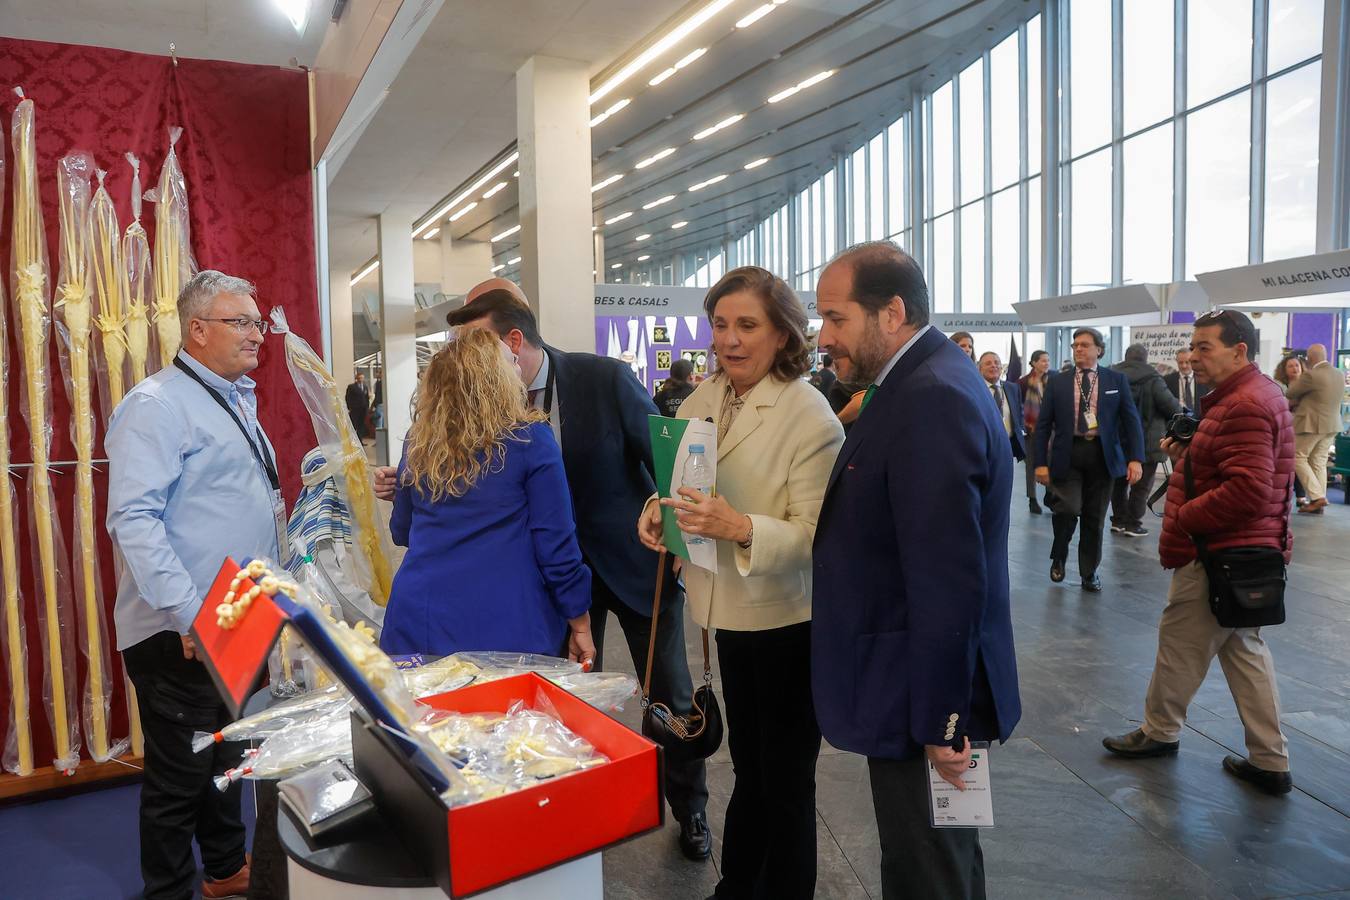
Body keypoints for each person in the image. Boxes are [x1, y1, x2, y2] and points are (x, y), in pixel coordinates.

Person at [377, 279, 712, 860]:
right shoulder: (502, 432)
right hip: (546, 586)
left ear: (512, 342)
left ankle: (691, 811)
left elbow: (667, 453)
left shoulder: (601, 378)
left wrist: (679, 534)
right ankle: (577, 814)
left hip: (629, 568)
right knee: (563, 710)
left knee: (670, 698)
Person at [811, 242, 1020, 900]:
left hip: (922, 697)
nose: (825, 338)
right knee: (941, 862)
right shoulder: (917, 382)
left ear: (892, 311)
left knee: (928, 871)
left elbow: (947, 578)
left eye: (837, 319)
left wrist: (944, 722)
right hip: (914, 685)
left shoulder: (930, 397)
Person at [636, 266, 843, 900]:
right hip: (728, 612)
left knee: (784, 779)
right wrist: (655, 509)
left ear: (783, 334)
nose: (730, 338)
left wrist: (742, 527)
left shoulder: (810, 416)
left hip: (786, 620)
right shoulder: (703, 398)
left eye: (747, 325)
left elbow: (815, 537)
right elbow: (682, 488)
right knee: (750, 768)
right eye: (721, 324)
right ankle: (739, 883)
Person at [106, 271, 282, 900]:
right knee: (180, 776)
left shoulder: (233, 398)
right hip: (182, 627)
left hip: (239, 611)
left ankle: (225, 866)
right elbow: (133, 518)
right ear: (197, 329)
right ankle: (170, 890)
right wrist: (189, 614)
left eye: (257, 323)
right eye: (242, 322)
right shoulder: (156, 405)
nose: (257, 335)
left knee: (227, 759)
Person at [1104, 310, 1295, 796]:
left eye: (1204, 346)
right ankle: (1270, 759)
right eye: (1192, 345)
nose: (1192, 355)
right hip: (1247, 552)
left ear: (1240, 351)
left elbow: (1248, 490)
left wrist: (1181, 515)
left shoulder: (1245, 404)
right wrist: (1186, 462)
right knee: (1243, 650)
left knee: (1180, 645)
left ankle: (1159, 732)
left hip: (1219, 555)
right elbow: (1247, 476)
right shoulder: (1250, 397)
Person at [380, 328, 594, 661]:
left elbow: (402, 530)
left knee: (426, 713)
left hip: (418, 621)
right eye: (512, 362)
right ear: (495, 380)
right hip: (509, 624)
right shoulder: (531, 440)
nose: (520, 368)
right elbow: (556, 546)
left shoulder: (418, 441)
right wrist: (579, 620)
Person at [1034, 327, 1145, 592]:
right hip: (1067, 454)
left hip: (1102, 455)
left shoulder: (1115, 380)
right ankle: (1059, 554)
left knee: (1094, 518)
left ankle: (1089, 571)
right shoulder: (1058, 382)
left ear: (1099, 349)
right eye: (1075, 345)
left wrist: (1136, 459)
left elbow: (1131, 421)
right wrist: (1039, 462)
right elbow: (1043, 425)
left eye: (1084, 345)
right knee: (1068, 509)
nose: (1078, 349)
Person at [1109, 343, 1181, 538]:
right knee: (1141, 486)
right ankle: (1133, 524)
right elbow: (1172, 408)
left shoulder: (1111, 376)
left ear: (1126, 357)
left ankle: (1118, 520)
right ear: (1145, 358)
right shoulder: (1154, 379)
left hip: (1117, 440)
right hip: (1147, 443)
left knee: (1118, 483)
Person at [1287, 343, 1346, 515]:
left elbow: (1291, 393)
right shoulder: (1339, 373)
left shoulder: (1311, 375)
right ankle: (1318, 501)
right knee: (1318, 461)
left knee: (1297, 456)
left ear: (1310, 358)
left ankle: (1318, 497)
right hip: (1333, 424)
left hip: (1311, 424)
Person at [1273, 355, 1309, 506]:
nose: (1295, 368)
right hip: (1286, 427)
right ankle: (1289, 494)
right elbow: (1278, 405)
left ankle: (1301, 496)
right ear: (1284, 370)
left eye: (1297, 366)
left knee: (1300, 460)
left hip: (1305, 427)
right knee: (1291, 460)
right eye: (1291, 366)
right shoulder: (1279, 386)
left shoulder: (1309, 385)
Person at [978, 350, 1026, 463]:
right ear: (980, 369)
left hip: (1008, 446)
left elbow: (1018, 413)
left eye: (996, 362)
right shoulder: (976, 388)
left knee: (1005, 479)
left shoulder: (1013, 388)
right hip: (983, 447)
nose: (993, 365)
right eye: (988, 363)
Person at [1019, 350, 1052, 514]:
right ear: (1033, 363)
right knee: (1031, 464)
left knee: (1051, 461)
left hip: (1051, 429)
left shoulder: (1054, 379)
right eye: (1043, 361)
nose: (1046, 363)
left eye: (1048, 360)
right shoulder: (1023, 382)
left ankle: (1050, 494)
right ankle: (1032, 499)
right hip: (1031, 430)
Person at [345, 371, 370, 440]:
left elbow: (367, 397)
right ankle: (352, 440)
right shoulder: (351, 387)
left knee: (361, 425)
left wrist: (367, 407)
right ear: (356, 378)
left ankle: (360, 440)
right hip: (355, 409)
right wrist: (349, 407)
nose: (361, 379)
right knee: (354, 424)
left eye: (362, 378)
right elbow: (348, 397)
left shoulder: (365, 387)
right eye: (359, 378)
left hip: (363, 409)